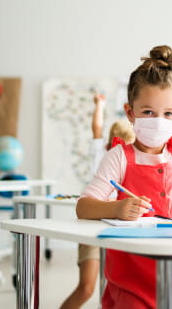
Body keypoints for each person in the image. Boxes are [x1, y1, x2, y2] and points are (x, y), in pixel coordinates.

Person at [76, 2, 172, 309]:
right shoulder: (119, 157)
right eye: (148, 112)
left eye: (168, 113)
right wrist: (116, 208)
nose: (158, 120)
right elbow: (84, 207)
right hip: (135, 282)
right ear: (130, 113)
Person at [61, 94, 135, 309]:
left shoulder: (134, 160)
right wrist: (99, 105)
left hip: (119, 229)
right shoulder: (100, 155)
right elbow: (97, 127)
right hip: (91, 228)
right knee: (87, 288)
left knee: (119, 289)